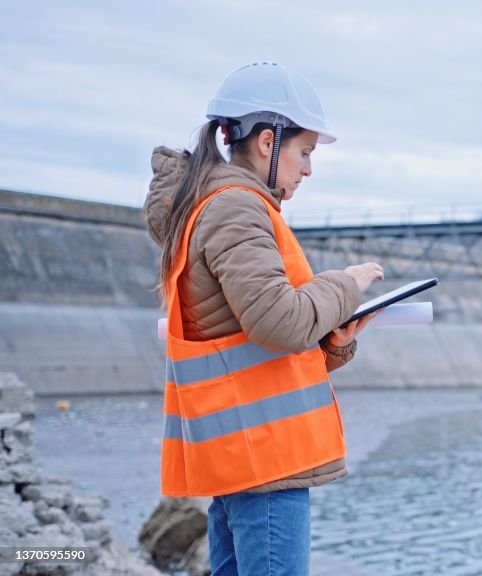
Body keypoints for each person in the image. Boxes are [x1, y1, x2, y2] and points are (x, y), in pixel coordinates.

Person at [143, 61, 382, 575]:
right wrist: (346, 283)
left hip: (241, 455)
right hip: (265, 462)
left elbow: (254, 349)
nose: (309, 169)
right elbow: (281, 324)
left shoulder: (216, 206)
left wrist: (335, 342)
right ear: (269, 143)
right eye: (305, 152)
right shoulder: (236, 209)